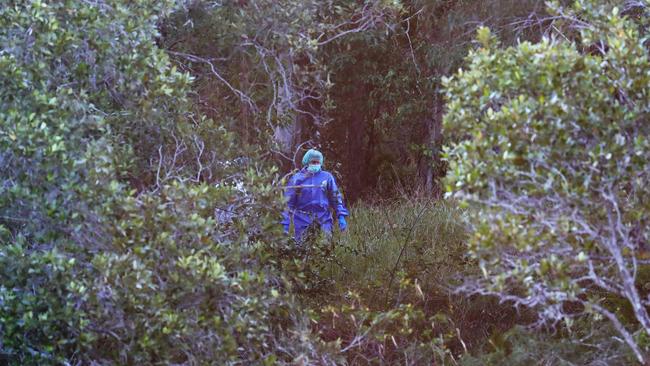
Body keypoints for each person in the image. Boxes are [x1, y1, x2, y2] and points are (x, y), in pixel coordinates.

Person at [281, 149, 349, 240]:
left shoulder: (327, 177)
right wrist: (285, 224)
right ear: (307, 162)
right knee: (302, 249)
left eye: (318, 162)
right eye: (313, 162)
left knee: (324, 247)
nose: (315, 164)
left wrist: (341, 216)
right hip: (302, 220)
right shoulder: (296, 179)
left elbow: (335, 197)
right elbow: (288, 203)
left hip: (323, 219)